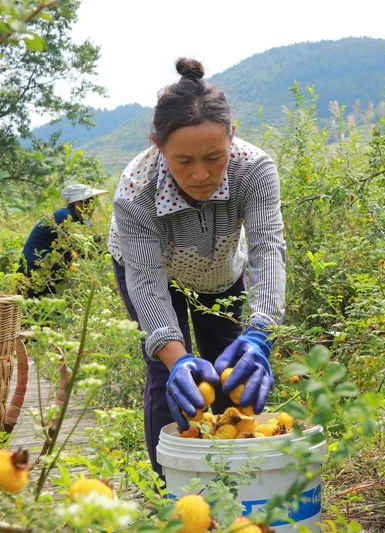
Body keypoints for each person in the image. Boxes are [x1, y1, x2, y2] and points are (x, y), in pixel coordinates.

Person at [108, 58, 286, 476]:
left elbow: (268, 251)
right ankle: (172, 485)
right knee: (171, 369)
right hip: (151, 270)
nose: (201, 174)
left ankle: (231, 470)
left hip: (221, 269)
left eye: (214, 156)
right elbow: (146, 282)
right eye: (183, 160)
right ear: (158, 144)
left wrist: (261, 332)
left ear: (232, 137)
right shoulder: (137, 190)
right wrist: (175, 356)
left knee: (230, 365)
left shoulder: (254, 170)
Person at [20, 183, 107, 298]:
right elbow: (81, 247)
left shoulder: (77, 219)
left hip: (47, 268)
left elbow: (90, 240)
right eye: (91, 203)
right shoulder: (64, 217)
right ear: (78, 204)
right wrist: (103, 256)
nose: (94, 208)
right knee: (31, 306)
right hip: (34, 268)